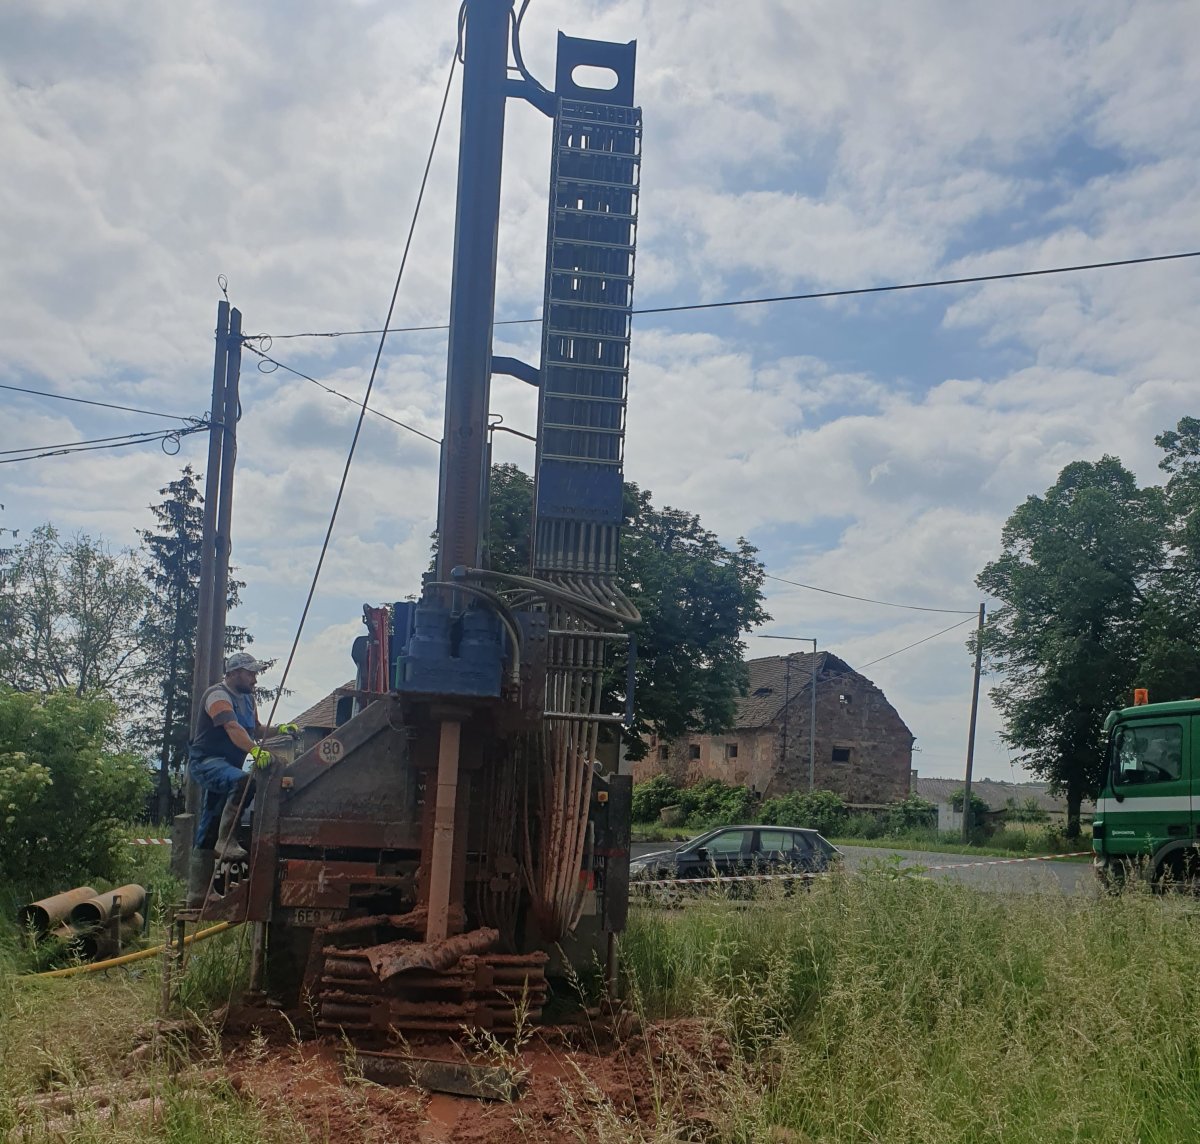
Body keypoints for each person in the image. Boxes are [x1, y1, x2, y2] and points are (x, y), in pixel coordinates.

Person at [185, 652, 298, 907]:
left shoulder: (248, 699)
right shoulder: (217, 696)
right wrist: (255, 751)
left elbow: (255, 729)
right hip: (207, 763)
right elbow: (233, 728)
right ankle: (226, 841)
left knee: (209, 825)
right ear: (234, 673)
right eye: (250, 673)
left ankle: (196, 896)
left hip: (226, 766)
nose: (255, 679)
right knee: (244, 782)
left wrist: (279, 728)